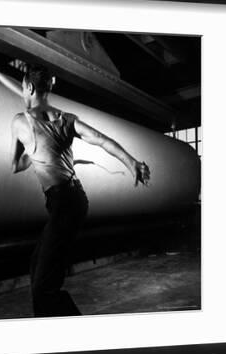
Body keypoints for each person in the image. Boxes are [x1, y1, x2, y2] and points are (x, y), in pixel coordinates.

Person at [10, 64, 150, 317]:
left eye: (22, 87)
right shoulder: (66, 119)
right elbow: (102, 140)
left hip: (63, 203)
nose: (22, 92)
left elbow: (15, 165)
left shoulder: (20, 121)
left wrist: (33, 151)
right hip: (74, 200)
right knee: (37, 267)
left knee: (44, 286)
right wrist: (132, 163)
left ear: (29, 87)